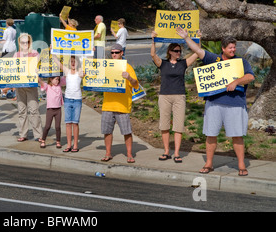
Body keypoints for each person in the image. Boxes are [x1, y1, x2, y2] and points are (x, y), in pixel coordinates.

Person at [176, 27, 255, 176]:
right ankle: (209, 164)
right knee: (211, 134)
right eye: (230, 48)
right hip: (214, 104)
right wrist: (186, 38)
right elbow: (198, 52)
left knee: (237, 135)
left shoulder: (240, 61)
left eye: (234, 47)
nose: (233, 50)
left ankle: (241, 165)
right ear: (223, 48)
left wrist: (236, 82)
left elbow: (250, 77)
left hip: (235, 104)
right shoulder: (214, 59)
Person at [150, 32, 199, 163]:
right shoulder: (163, 63)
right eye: (176, 51)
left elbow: (197, 53)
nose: (179, 53)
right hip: (164, 96)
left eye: (180, 51)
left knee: (178, 126)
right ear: (170, 52)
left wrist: (198, 39)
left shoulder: (183, 63)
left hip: (179, 97)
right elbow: (153, 55)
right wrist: (153, 41)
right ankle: (166, 151)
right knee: (164, 125)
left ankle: (177, 153)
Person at [101, 43, 139, 163]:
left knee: (126, 131)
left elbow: (135, 84)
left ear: (122, 53)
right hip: (108, 104)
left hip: (122, 105)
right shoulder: (106, 66)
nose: (114, 55)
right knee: (107, 131)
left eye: (116, 52)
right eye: (112, 52)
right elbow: (95, 78)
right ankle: (108, 153)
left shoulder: (127, 67)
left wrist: (129, 78)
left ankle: (129, 154)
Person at [14, 33, 43, 142]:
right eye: (23, 42)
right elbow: (10, 68)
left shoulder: (35, 54)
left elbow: (39, 68)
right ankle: (23, 134)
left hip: (31, 86)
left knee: (34, 110)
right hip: (19, 86)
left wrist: (38, 70)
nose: (25, 44)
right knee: (21, 111)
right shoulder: (16, 55)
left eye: (27, 42)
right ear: (19, 43)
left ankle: (38, 134)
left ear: (30, 42)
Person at [53, 55, 84, 152]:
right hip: (67, 99)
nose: (73, 63)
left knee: (75, 123)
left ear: (78, 62)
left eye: (75, 61)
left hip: (77, 100)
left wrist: (91, 51)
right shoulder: (67, 71)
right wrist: (52, 51)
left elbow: (88, 61)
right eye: (71, 61)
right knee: (68, 123)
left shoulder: (80, 72)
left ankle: (75, 145)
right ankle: (69, 145)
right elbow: (57, 62)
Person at [38, 75, 65, 148]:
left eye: (58, 79)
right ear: (51, 79)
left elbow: (65, 77)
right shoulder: (47, 86)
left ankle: (58, 141)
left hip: (58, 109)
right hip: (50, 110)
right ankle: (43, 140)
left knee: (57, 127)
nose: (57, 81)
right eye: (56, 79)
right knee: (47, 126)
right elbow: (41, 82)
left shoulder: (59, 85)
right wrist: (36, 74)